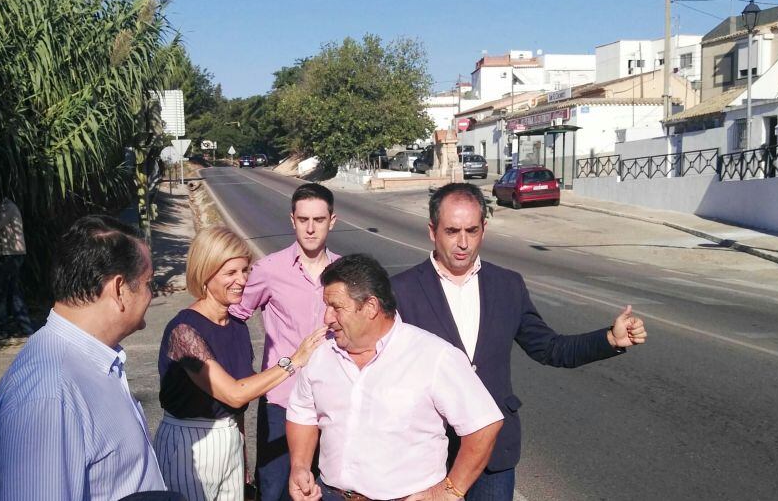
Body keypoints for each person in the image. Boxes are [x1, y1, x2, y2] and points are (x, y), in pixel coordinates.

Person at [391, 182, 648, 500]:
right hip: (430, 455)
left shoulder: (507, 285)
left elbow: (550, 348)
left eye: (472, 231)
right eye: (452, 231)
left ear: (483, 229)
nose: (463, 243)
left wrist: (610, 338)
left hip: (494, 456)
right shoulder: (400, 291)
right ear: (433, 231)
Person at [287, 254, 504, 501]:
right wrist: (300, 466)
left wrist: (450, 491)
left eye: (336, 307)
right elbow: (301, 412)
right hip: (330, 494)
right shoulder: (321, 355)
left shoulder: (434, 356)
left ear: (370, 307)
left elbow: (484, 424)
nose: (327, 318)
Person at [0, 215, 166, 501]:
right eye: (148, 284)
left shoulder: (92, 363)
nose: (150, 295)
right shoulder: (48, 393)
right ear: (119, 289)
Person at [157, 226, 327, 501]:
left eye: (245, 270)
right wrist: (294, 361)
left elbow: (236, 410)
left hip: (230, 440)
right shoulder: (184, 330)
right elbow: (235, 393)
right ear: (205, 273)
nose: (242, 280)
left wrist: (243, 461)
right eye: (230, 273)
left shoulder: (237, 326)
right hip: (189, 444)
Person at [228, 183, 339, 500]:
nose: (310, 228)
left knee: (328, 490)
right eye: (303, 219)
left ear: (332, 221)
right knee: (276, 489)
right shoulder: (268, 270)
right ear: (292, 220)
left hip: (333, 402)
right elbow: (234, 315)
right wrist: (239, 377)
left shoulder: (345, 271)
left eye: (318, 220)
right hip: (282, 402)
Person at [0, 195, 33, 337]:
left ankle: (3, 328)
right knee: (12, 291)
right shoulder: (4, 207)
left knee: (0, 292)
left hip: (9, 255)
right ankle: (25, 328)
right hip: (8, 255)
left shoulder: (6, 208)